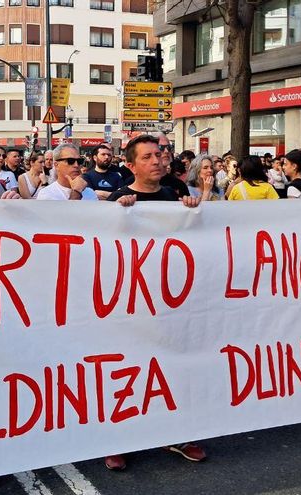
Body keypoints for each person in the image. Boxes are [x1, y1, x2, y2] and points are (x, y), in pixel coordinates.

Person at [104, 135, 201, 471]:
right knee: (129, 371)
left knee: (175, 367)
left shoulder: (176, 193)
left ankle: (178, 434)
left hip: (171, 300)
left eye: (159, 155)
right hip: (132, 303)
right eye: (147, 157)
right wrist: (119, 215)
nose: (157, 161)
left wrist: (191, 212)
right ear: (130, 165)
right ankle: (119, 440)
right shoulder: (119, 197)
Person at [36, 144, 100, 201]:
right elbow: (68, 214)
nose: (76, 165)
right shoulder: (46, 194)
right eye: (70, 161)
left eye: (79, 161)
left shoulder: (90, 192)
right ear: (56, 165)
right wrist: (76, 193)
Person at [156, 133, 189, 198]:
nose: (166, 151)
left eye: (169, 147)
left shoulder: (179, 184)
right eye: (161, 148)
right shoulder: (134, 182)